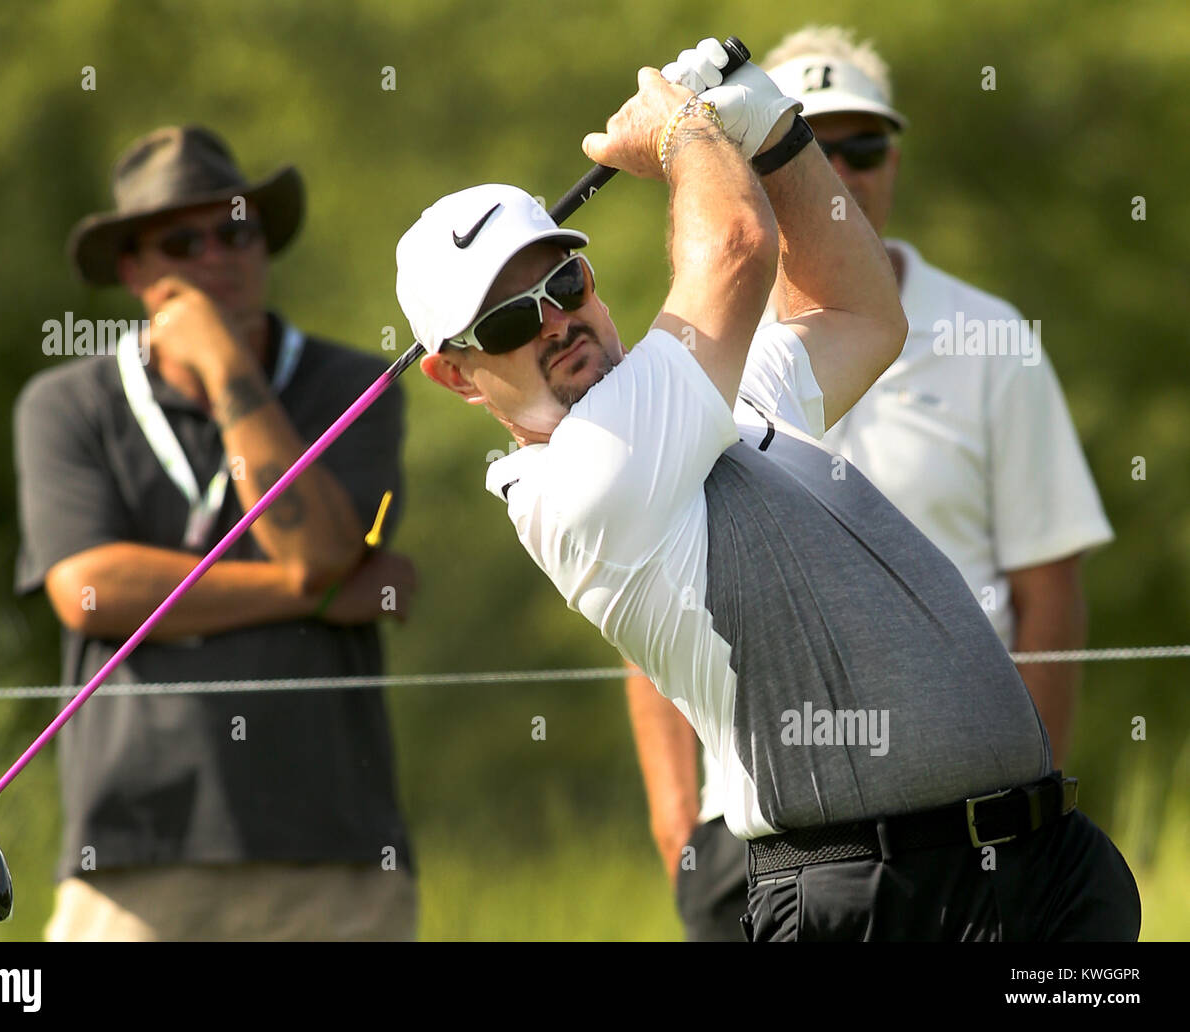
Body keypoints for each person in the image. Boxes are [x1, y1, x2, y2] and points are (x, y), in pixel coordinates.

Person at [396, 40, 1140, 941]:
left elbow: (862, 314)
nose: (558, 321)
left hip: (1040, 876)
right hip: (868, 899)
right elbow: (738, 246)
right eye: (513, 319)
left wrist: (778, 136)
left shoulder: (695, 398)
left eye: (565, 280)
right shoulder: (579, 479)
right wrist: (684, 135)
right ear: (458, 377)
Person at [625, 26, 1117, 942]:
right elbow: (644, 608)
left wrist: (1028, 797)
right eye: (807, 139)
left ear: (893, 158)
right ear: (748, 157)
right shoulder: (689, 357)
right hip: (760, 836)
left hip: (971, 836)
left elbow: (1049, 592)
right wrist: (676, 824)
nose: (841, 170)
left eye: (863, 146)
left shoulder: (993, 336)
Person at [14, 125, 418, 941]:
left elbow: (320, 553)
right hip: (136, 854)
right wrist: (313, 593)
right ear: (133, 268)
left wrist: (229, 372)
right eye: (183, 240)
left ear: (265, 244)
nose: (217, 255)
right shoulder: (66, 402)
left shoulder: (351, 384)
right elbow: (90, 592)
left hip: (335, 853)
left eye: (238, 230)